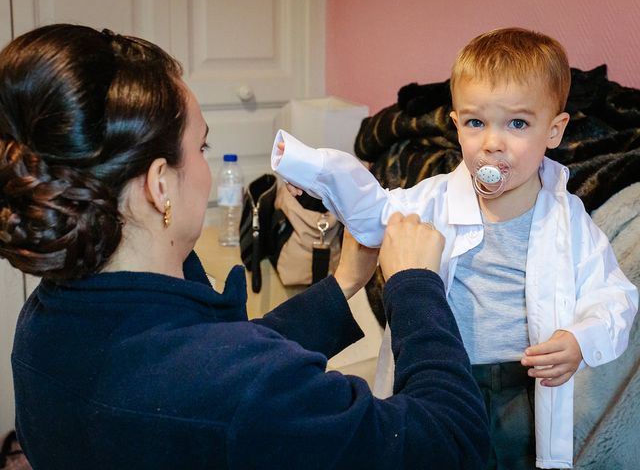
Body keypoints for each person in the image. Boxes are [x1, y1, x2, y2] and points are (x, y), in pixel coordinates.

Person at [0, 24, 490, 469]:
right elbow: (453, 443)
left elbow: (221, 356)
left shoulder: (43, 320)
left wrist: (344, 283)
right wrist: (415, 287)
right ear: (159, 185)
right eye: (201, 148)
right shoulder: (237, 391)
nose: (207, 169)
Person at [271, 27, 639, 469]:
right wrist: (319, 176)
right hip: (442, 375)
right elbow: (371, 211)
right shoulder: (432, 199)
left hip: (520, 386)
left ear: (555, 130)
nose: (492, 143)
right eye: (475, 122)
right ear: (456, 124)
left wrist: (581, 340)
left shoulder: (569, 220)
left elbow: (615, 298)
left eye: (517, 124)